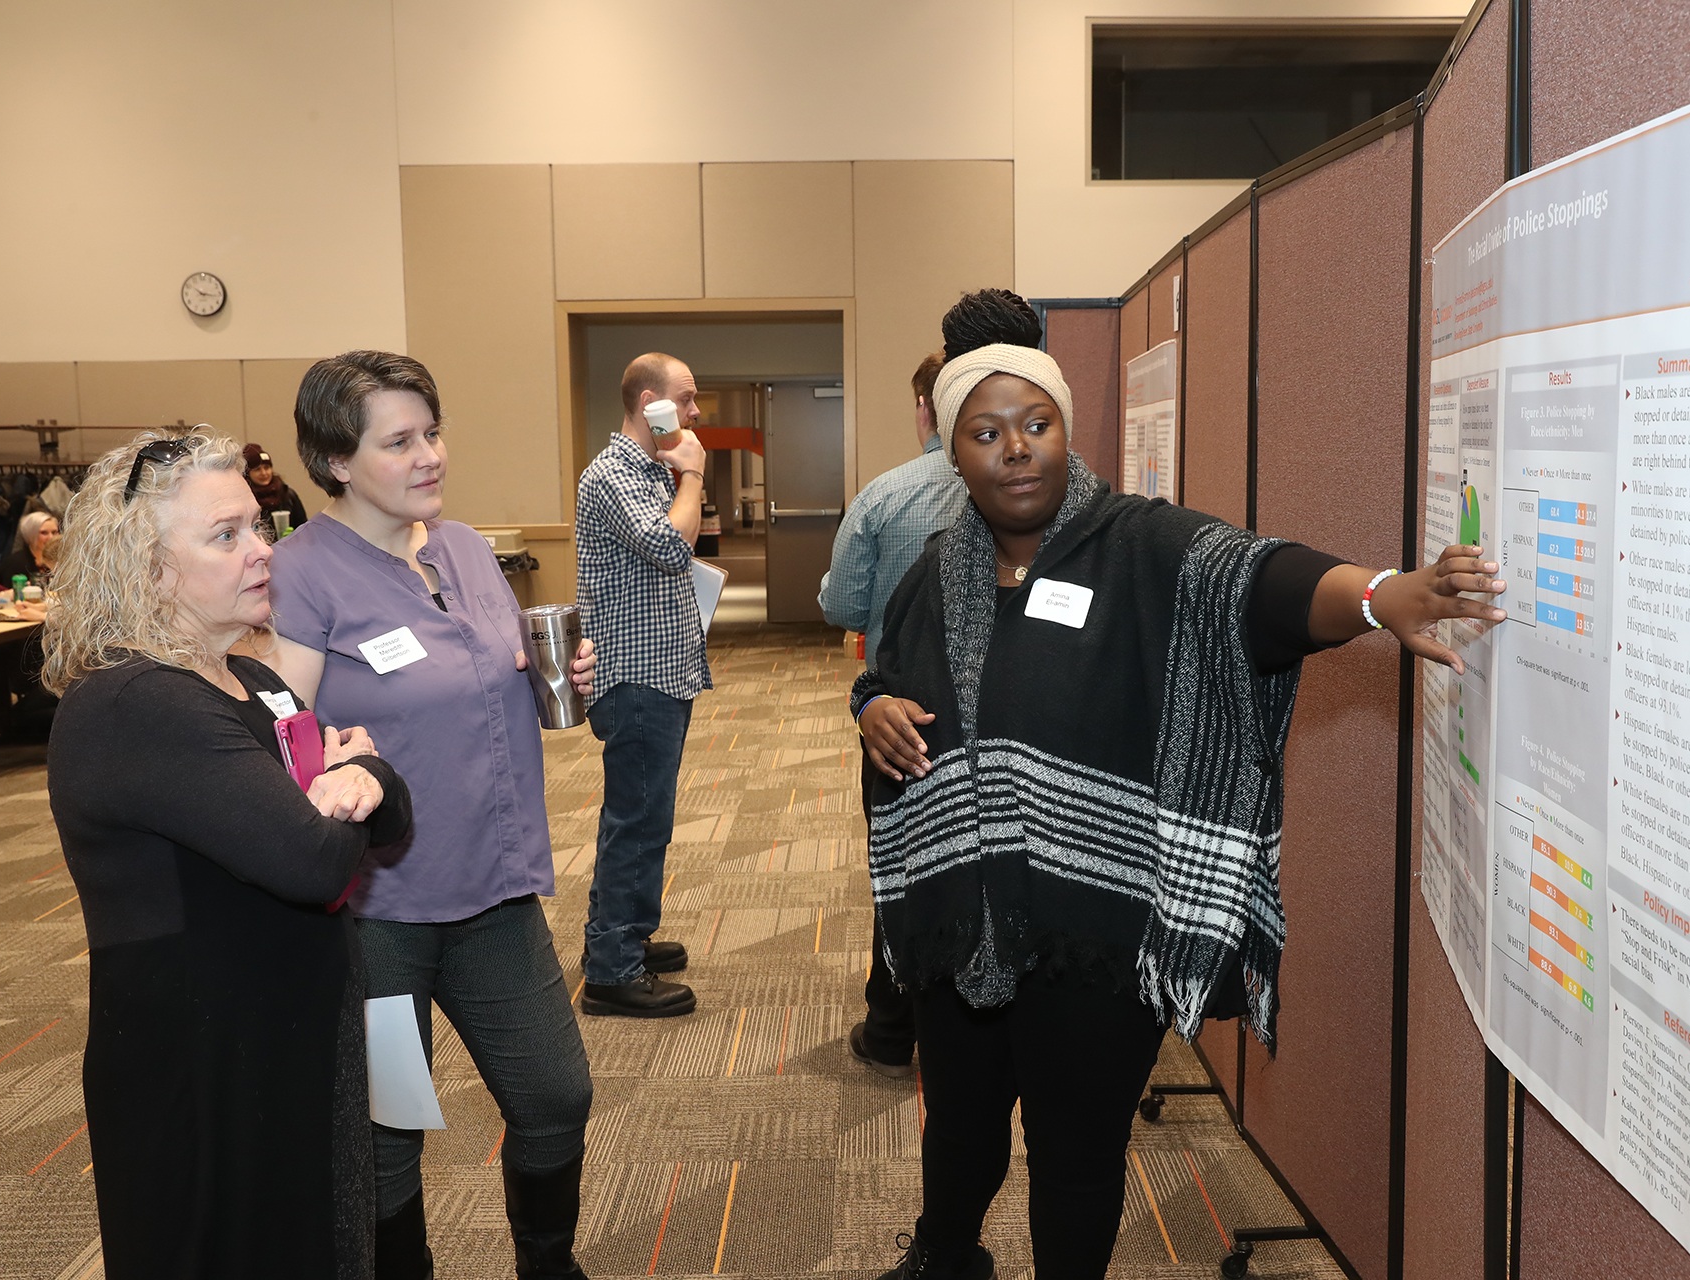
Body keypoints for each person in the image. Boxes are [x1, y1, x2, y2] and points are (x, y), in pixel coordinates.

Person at [853, 290, 1509, 1280]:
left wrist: (1379, 597)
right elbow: (885, 674)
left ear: (1066, 430)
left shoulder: (1140, 545)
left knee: (1075, 1156)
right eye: (985, 432)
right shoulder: (936, 569)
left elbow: (1261, 579)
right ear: (954, 451)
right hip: (962, 918)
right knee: (961, 1131)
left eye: (1036, 423)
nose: (1016, 448)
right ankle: (947, 1254)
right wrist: (872, 708)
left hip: (1099, 929)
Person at [42, 431, 412, 1280]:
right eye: (227, 535)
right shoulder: (133, 702)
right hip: (205, 1065)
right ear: (145, 567)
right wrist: (360, 774)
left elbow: (386, 819)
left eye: (260, 525)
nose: (262, 550)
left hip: (287, 1036)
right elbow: (315, 858)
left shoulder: (252, 680)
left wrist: (366, 779)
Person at [267, 351, 598, 1280]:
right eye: (400, 441)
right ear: (336, 461)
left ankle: (548, 1264)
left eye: (433, 433)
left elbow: (488, 687)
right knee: (389, 1128)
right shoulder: (301, 574)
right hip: (380, 914)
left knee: (555, 1096)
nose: (430, 457)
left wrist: (554, 680)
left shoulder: (460, 547)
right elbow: (286, 746)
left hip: (494, 889)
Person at [819, 349, 965, 1078]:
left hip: (897, 714)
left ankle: (890, 1027)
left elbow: (840, 606)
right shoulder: (1046, 493)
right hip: (1007, 713)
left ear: (923, 410)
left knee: (900, 864)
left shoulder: (885, 496)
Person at [572, 352, 710, 1017]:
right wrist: (694, 474)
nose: (694, 412)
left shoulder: (651, 469)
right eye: (685, 399)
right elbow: (673, 545)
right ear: (650, 401)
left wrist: (680, 471)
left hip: (662, 670)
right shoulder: (611, 475)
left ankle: (621, 934)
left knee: (642, 816)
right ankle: (612, 968)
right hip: (635, 678)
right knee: (637, 820)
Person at [244, 441, 309, 530]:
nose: (263, 473)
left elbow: (303, 527)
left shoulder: (287, 494)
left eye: (267, 468)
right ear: (248, 473)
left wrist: (293, 537)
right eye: (257, 469)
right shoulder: (246, 499)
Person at [0, 509, 60, 587]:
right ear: (31, 535)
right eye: (44, 533)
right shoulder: (15, 563)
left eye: (54, 532)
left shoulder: (61, 560)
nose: (51, 537)